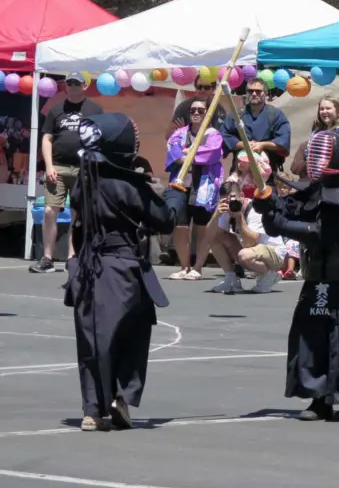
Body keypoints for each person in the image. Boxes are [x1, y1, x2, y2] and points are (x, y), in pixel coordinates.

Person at [64, 113, 185, 431]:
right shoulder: (131, 185)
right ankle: (121, 397)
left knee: (93, 340)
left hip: (89, 269)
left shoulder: (86, 180)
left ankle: (93, 409)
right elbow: (165, 220)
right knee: (130, 336)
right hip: (124, 268)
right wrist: (175, 192)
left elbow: (77, 224)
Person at [252, 130, 339, 422]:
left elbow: (322, 233)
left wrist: (281, 222)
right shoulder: (319, 189)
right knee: (312, 337)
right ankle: (320, 399)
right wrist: (268, 201)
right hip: (319, 277)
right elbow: (288, 212)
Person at [31, 73, 104, 273]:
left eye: (76, 83)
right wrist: (48, 166)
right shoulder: (56, 110)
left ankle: (73, 257)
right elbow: (47, 139)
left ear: (84, 86)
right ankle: (47, 257)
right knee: (49, 210)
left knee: (78, 214)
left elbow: (98, 139)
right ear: (65, 86)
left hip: (83, 168)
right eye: (69, 83)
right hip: (59, 167)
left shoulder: (95, 109)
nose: (72, 86)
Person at [165, 97, 224, 281]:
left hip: (203, 184)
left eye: (200, 110)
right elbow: (172, 147)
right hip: (181, 182)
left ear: (207, 113)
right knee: (180, 226)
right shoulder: (181, 132)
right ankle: (184, 266)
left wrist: (188, 153)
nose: (196, 113)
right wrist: (182, 157)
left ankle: (198, 267)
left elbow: (211, 152)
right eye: (193, 110)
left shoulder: (213, 134)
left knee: (202, 227)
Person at [209, 178, 286, 294]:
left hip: (274, 253)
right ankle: (232, 280)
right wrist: (216, 215)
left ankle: (270, 275)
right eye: (226, 200)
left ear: (242, 196)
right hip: (254, 250)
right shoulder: (228, 209)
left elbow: (250, 242)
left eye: (233, 198)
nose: (231, 203)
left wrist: (239, 218)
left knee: (244, 255)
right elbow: (207, 237)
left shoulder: (255, 210)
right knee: (215, 237)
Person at [219, 77, 291, 178]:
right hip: (240, 172)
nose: (254, 94)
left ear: (265, 93)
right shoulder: (237, 114)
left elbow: (283, 141)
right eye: (250, 91)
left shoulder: (275, 115)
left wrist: (262, 145)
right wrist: (243, 144)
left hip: (267, 174)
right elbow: (224, 135)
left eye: (258, 91)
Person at [290, 97, 339, 177]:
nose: (324, 111)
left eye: (328, 108)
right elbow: (295, 168)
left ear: (337, 111)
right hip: (314, 181)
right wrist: (312, 164)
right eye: (321, 109)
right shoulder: (312, 138)